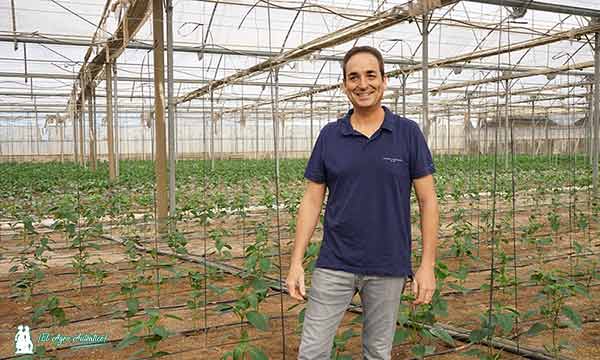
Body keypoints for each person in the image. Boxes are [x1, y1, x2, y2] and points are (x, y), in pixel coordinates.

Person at [286, 46, 439, 360]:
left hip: (388, 265)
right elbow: (312, 200)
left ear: (384, 81)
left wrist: (427, 266)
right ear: (344, 85)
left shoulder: (407, 133)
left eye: (371, 75)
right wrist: (295, 262)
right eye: (353, 77)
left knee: (377, 353)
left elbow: (428, 200)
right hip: (335, 263)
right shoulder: (330, 136)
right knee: (312, 352)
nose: (362, 84)